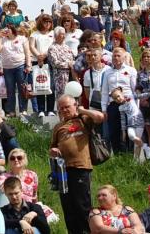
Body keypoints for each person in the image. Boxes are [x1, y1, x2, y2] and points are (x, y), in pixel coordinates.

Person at [49, 94, 104, 234]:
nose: (64, 110)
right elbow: (51, 148)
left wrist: (82, 110)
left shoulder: (83, 119)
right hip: (62, 171)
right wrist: (53, 151)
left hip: (80, 168)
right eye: (61, 109)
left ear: (75, 105)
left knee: (82, 206)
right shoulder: (58, 127)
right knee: (68, 207)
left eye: (67, 107)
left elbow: (100, 117)